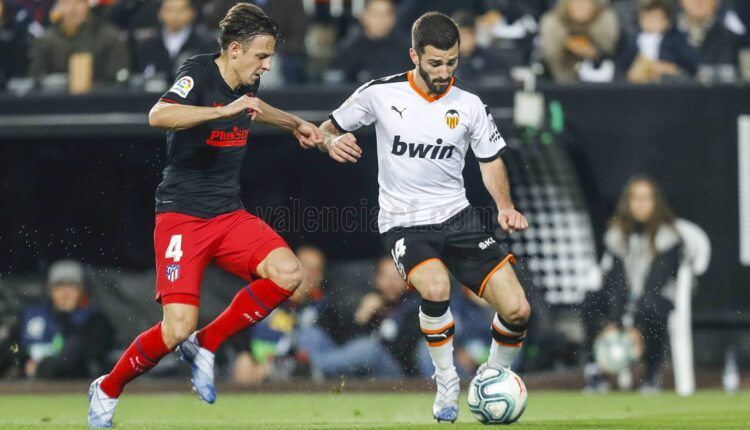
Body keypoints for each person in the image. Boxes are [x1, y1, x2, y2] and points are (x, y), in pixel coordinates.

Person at [87, 4, 323, 428]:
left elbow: (255, 107)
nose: (267, 65)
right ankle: (107, 388)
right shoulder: (197, 72)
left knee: (289, 273)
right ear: (235, 50)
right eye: (261, 56)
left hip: (228, 216)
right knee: (175, 328)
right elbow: (158, 114)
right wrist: (220, 112)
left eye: (269, 57)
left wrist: (296, 125)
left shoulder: (244, 89)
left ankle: (207, 343)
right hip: (182, 218)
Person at [317, 12, 531, 423]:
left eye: (452, 62)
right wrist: (330, 142)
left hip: (458, 215)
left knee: (518, 309)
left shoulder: (468, 105)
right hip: (404, 220)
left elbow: (490, 161)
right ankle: (447, 381)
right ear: (414, 55)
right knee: (435, 287)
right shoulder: (379, 94)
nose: (445, 71)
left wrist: (504, 206)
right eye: (435, 63)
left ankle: (494, 376)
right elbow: (327, 127)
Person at [582, 176, 700, 392]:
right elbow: (615, 280)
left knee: (651, 305)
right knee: (591, 299)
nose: (641, 204)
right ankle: (595, 371)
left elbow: (657, 283)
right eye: (635, 198)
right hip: (625, 296)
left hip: (657, 296)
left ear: (656, 202)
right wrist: (614, 322)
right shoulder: (616, 234)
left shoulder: (669, 236)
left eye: (646, 198)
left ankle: (651, 373)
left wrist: (634, 326)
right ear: (627, 203)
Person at [297, 256, 421, 379]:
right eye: (386, 277)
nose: (391, 283)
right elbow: (341, 336)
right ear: (377, 279)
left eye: (396, 277)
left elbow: (403, 350)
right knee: (312, 333)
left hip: (395, 375)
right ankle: (308, 380)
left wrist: (386, 317)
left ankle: (305, 368)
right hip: (355, 368)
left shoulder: (414, 306)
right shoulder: (366, 298)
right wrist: (360, 317)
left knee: (368, 347)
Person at [17, 260, 114, 379]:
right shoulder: (31, 315)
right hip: (27, 386)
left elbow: (89, 355)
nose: (65, 293)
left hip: (71, 386)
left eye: (72, 286)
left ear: (82, 290)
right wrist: (23, 362)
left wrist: (66, 318)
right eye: (59, 286)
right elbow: (13, 347)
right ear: (50, 289)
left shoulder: (94, 320)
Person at [28, 0, 129, 90]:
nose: (73, 9)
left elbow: (119, 78)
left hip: (100, 102)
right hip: (56, 103)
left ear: (87, 4)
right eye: (67, 2)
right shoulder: (46, 40)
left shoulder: (109, 37)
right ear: (58, 5)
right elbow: (36, 79)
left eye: (78, 2)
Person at [618, 0, 700, 83]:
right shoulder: (634, 40)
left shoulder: (675, 39)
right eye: (646, 18)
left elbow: (689, 62)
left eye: (654, 18)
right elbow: (623, 64)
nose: (650, 22)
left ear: (666, 21)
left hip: (667, 84)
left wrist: (670, 68)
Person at [133, 0, 215, 83]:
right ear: (160, 13)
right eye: (170, 10)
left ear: (192, 13)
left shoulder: (205, 43)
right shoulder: (147, 45)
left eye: (181, 10)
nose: (175, 15)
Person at [331, 0, 411, 84]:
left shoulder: (408, 50)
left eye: (387, 14)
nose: (381, 19)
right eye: (375, 14)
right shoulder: (348, 51)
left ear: (394, 17)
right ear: (363, 16)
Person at [539, 0, 621, 82]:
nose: (580, 5)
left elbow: (617, 58)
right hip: (560, 84)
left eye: (586, 1)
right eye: (575, 1)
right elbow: (550, 59)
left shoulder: (606, 26)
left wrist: (596, 54)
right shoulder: (554, 26)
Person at [677, 0, 744, 82]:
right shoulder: (662, 35)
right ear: (680, 1)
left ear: (717, 2)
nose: (698, 1)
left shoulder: (732, 40)